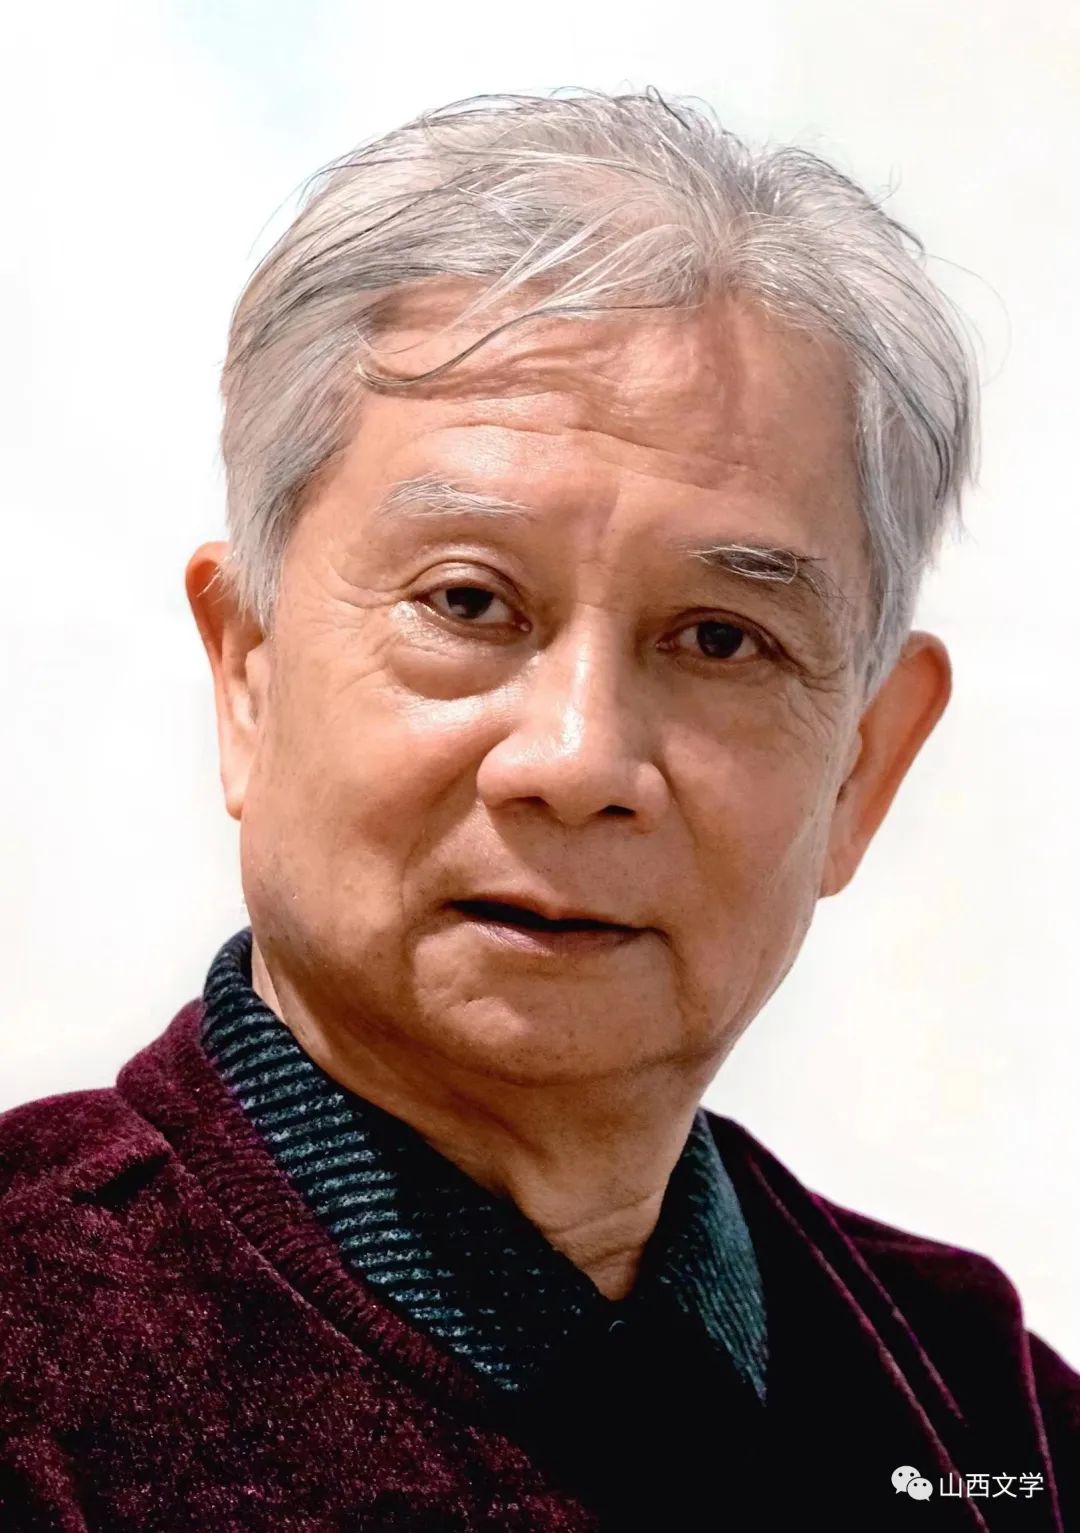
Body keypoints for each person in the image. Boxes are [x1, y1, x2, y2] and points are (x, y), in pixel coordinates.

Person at [1, 89, 1076, 1532]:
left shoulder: (989, 1420)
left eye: (721, 638)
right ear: (246, 670)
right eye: (468, 601)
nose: (577, 759)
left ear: (861, 769)